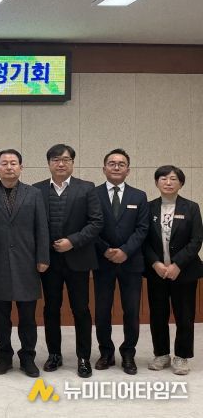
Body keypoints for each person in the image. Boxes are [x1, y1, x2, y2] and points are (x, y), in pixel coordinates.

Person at [33, 144, 103, 378]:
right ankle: (54, 354)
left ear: (72, 163)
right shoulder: (36, 190)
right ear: (49, 164)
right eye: (55, 159)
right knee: (51, 309)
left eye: (65, 159)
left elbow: (96, 222)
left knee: (81, 309)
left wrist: (72, 241)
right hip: (49, 262)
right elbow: (33, 226)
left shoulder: (87, 188)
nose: (60, 163)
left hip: (78, 259)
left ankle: (83, 357)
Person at [0, 149, 49, 377]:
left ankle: (28, 357)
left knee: (27, 316)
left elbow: (41, 227)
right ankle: (4, 356)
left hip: (27, 263)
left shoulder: (34, 193)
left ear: (21, 167)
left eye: (13, 163)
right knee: (1, 316)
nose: (9, 167)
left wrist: (43, 257)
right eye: (4, 163)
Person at [93, 149, 149, 375]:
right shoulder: (93, 194)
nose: (116, 167)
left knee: (131, 311)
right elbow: (89, 226)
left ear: (128, 170)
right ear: (104, 168)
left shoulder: (139, 196)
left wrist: (125, 251)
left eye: (121, 164)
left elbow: (143, 228)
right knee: (102, 311)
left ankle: (128, 353)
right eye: (112, 163)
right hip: (102, 261)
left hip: (131, 262)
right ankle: (106, 352)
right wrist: (105, 249)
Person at [143, 165, 203, 375]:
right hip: (157, 272)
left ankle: (182, 356)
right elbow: (143, 239)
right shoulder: (148, 208)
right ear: (156, 182)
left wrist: (177, 264)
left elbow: (196, 240)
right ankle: (161, 354)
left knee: (184, 315)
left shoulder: (191, 207)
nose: (168, 182)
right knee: (158, 314)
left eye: (173, 179)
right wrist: (155, 263)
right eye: (163, 178)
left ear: (181, 183)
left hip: (184, 272)